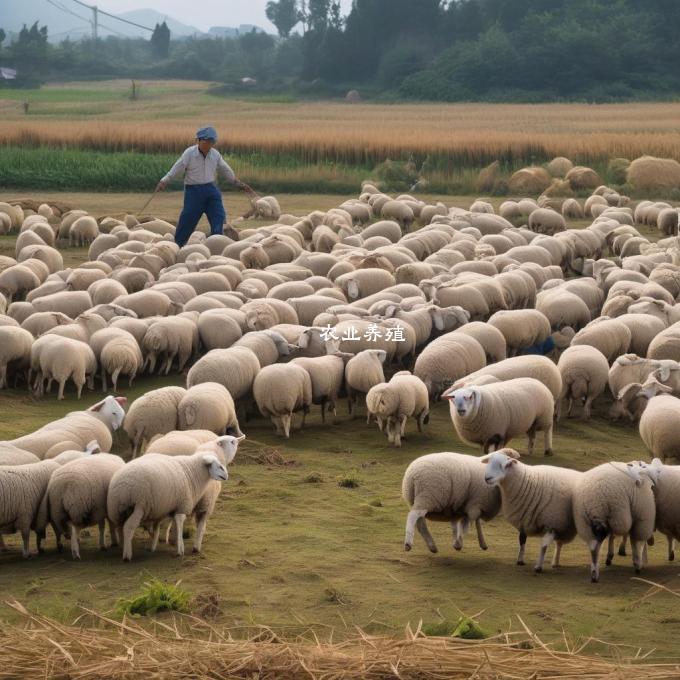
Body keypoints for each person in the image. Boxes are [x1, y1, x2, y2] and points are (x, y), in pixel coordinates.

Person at [156, 125, 256, 247]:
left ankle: (216, 244)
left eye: (212, 141)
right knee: (188, 219)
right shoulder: (189, 153)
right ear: (199, 140)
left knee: (218, 217)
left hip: (211, 189)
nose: (209, 144)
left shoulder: (215, 155)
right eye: (207, 141)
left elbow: (225, 170)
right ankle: (178, 245)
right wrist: (164, 180)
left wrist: (237, 182)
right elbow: (178, 167)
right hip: (193, 192)